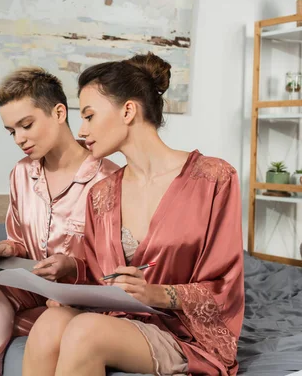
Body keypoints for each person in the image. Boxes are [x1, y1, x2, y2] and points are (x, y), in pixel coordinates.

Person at [22, 53, 245, 376]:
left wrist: (156, 293)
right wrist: (70, 272)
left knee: (86, 332)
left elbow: (226, 285)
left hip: (183, 332)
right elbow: (103, 276)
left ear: (128, 110)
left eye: (88, 116)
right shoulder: (102, 193)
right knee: (50, 322)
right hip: (121, 319)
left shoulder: (214, 178)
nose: (81, 130)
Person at [0, 67, 119, 376]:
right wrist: (6, 248)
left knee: (56, 319)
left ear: (59, 112)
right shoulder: (22, 173)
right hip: (32, 286)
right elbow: (21, 239)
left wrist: (71, 266)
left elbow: (116, 264)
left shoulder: (108, 179)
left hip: (80, 294)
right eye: (12, 131)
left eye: (26, 125)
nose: (19, 139)